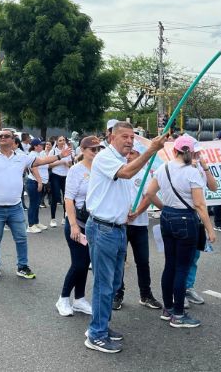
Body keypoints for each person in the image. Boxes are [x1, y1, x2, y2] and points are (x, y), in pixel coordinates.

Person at [83, 121, 167, 354]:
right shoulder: (105, 158)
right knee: (104, 284)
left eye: (132, 137)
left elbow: (124, 182)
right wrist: (151, 150)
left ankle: (100, 327)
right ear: (111, 138)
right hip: (104, 230)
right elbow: (127, 174)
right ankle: (96, 334)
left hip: (117, 228)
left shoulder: (119, 159)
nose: (130, 140)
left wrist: (127, 211)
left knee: (111, 283)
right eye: (125, 137)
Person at [136, 135, 215, 328]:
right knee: (182, 268)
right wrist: (210, 229)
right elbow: (199, 204)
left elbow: (149, 192)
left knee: (170, 265)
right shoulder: (192, 172)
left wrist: (166, 207)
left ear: (174, 151)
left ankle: (168, 309)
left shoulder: (164, 168)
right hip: (186, 220)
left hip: (167, 217)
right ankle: (179, 315)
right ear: (192, 152)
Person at [0, 128, 70, 282]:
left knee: (21, 238)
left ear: (13, 140)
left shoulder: (22, 157)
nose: (2, 138)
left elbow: (40, 162)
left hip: (15, 206)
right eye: (0, 136)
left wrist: (59, 156)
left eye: (6, 136)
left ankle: (22, 267)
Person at [113, 140, 163, 311]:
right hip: (121, 224)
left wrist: (137, 212)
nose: (129, 156)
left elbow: (148, 196)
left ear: (140, 156)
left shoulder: (145, 174)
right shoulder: (119, 171)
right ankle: (117, 293)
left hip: (140, 224)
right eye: (127, 153)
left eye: (133, 153)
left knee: (143, 261)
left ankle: (146, 294)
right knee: (119, 261)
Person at [56, 136, 101, 317]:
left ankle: (79, 299)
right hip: (77, 222)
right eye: (93, 149)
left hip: (94, 223)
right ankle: (63, 298)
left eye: (99, 149)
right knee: (79, 263)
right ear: (83, 150)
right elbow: (69, 199)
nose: (96, 153)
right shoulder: (76, 170)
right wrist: (73, 225)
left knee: (85, 262)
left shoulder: (100, 169)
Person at [185, 142, 219, 306]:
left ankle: (188, 287)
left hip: (197, 218)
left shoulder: (199, 168)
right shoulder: (180, 168)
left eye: (198, 154)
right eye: (194, 153)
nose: (196, 156)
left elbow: (213, 187)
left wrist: (205, 168)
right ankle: (177, 292)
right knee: (181, 258)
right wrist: (210, 228)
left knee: (194, 256)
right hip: (184, 217)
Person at [48, 136, 72, 227]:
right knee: (56, 196)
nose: (62, 142)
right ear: (57, 142)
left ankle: (65, 217)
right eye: (60, 140)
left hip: (66, 176)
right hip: (55, 175)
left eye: (64, 140)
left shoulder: (68, 151)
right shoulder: (53, 151)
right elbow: (49, 165)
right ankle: (53, 219)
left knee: (67, 197)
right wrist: (61, 162)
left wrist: (69, 163)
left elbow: (70, 164)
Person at [25, 138, 49, 233]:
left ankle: (36, 222)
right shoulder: (32, 155)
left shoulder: (39, 154)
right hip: (34, 182)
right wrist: (39, 182)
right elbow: (33, 169)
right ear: (35, 146)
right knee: (33, 204)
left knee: (37, 203)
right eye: (40, 145)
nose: (42, 146)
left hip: (39, 182)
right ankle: (30, 225)